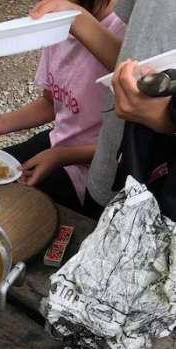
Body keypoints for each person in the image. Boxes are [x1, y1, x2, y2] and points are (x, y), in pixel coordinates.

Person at [0, 0, 124, 217]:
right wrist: (1, 123)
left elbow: (130, 146)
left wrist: (60, 156)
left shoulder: (123, 38)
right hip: (58, 143)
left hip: (98, 169)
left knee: (12, 208)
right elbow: (51, 102)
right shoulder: (58, 23)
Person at [30, 0, 176, 210]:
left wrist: (166, 118)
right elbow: (50, 101)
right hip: (105, 169)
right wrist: (74, 16)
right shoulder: (63, 32)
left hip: (150, 190)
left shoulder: (114, 28)